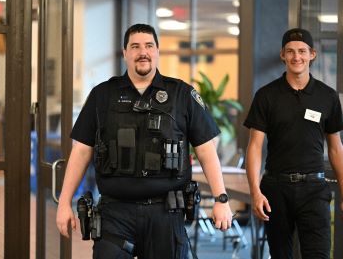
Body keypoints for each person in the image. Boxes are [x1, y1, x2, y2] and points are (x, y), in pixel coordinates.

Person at [56, 23, 233, 259]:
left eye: (149, 46)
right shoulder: (102, 95)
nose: (143, 52)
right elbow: (81, 151)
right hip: (115, 213)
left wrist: (221, 198)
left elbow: (206, 150)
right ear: (125, 53)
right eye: (135, 46)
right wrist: (64, 201)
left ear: (157, 51)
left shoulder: (181, 94)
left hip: (166, 214)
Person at [244, 27, 343, 259]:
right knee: (280, 255)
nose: (296, 57)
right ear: (282, 55)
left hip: (314, 189)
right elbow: (255, 146)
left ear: (312, 54)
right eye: (290, 51)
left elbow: (336, 147)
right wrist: (255, 192)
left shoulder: (327, 96)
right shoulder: (266, 95)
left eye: (302, 51)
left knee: (318, 254)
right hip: (276, 189)